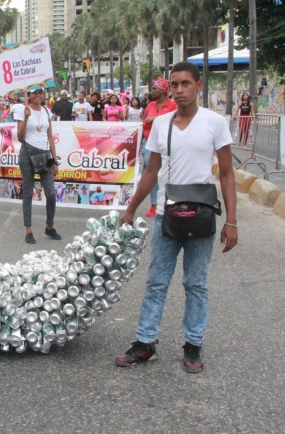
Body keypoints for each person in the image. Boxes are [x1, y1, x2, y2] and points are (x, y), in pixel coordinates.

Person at [115, 61, 237, 374]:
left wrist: (232, 221)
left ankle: (193, 344)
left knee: (196, 283)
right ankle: (145, 342)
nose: (180, 90)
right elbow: (151, 171)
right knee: (156, 281)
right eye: (175, 84)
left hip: (202, 216)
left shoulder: (214, 123)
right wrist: (131, 209)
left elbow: (226, 173)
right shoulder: (161, 123)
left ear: (199, 85)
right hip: (167, 216)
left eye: (186, 83)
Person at [14, 87, 61, 244]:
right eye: (34, 93)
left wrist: (54, 160)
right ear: (28, 95)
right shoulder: (22, 111)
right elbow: (20, 137)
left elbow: (50, 137)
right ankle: (29, 230)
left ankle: (49, 226)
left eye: (40, 93)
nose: (37, 96)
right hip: (27, 154)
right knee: (28, 193)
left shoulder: (47, 111)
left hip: (45, 155)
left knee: (51, 193)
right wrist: (26, 118)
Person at [142, 78, 178, 217]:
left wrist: (155, 119)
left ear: (163, 91)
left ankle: (170, 202)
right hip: (148, 143)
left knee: (166, 174)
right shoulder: (150, 105)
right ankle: (154, 205)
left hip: (166, 144)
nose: (152, 91)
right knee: (152, 173)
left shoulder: (173, 106)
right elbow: (144, 123)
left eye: (155, 89)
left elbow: (175, 122)